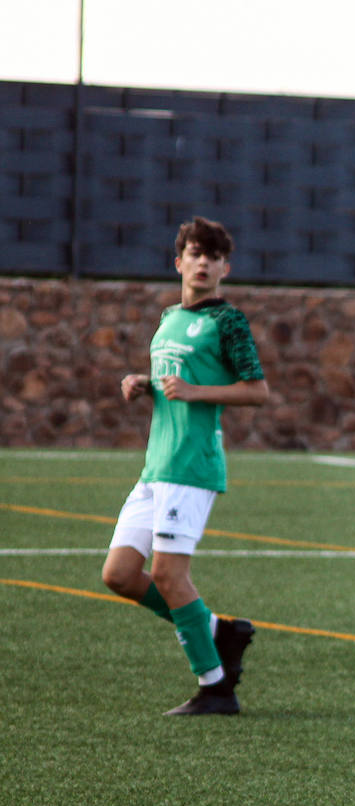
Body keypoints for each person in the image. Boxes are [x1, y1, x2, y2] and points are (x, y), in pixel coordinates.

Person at [100, 216, 268, 716]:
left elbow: (257, 390)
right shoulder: (168, 319)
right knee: (121, 574)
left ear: (225, 269)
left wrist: (196, 392)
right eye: (195, 253)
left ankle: (215, 686)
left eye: (213, 257)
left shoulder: (228, 322)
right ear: (179, 262)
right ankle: (217, 630)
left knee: (170, 576)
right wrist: (143, 384)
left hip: (191, 467)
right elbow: (172, 381)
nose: (203, 263)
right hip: (156, 467)